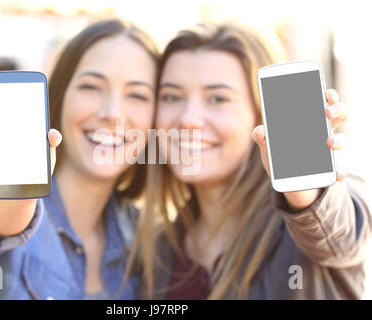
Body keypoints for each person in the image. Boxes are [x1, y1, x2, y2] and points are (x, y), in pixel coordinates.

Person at [134, 23, 371, 299]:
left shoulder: (296, 236)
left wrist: (307, 190)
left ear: (262, 115)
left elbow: (340, 234)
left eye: (218, 98)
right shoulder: (159, 249)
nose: (188, 118)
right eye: (172, 96)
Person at [0, 18, 158, 299]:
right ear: (60, 94)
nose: (113, 112)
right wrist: (17, 189)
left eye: (137, 95)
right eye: (91, 86)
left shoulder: (142, 237)